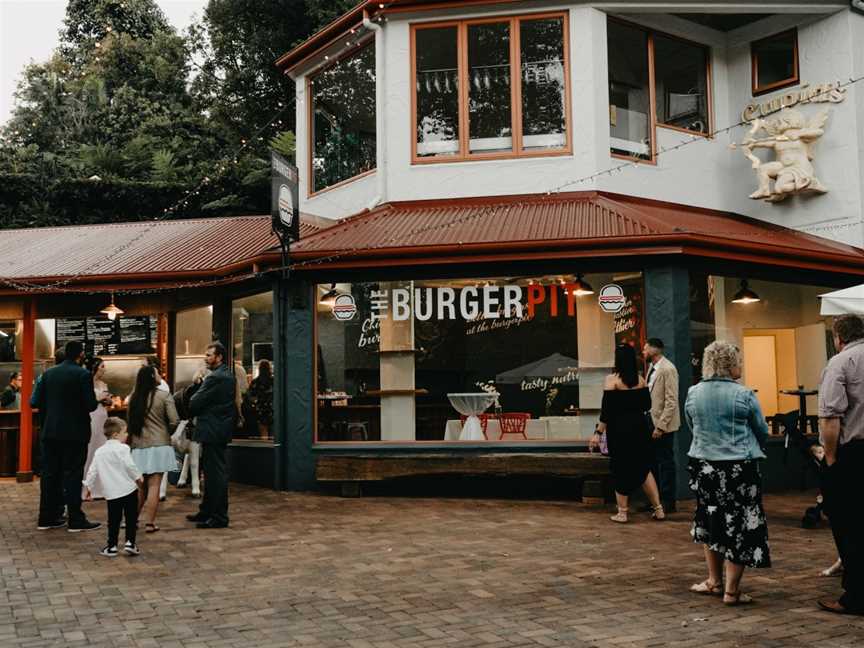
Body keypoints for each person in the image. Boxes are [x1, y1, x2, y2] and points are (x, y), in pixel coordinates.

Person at [686, 341, 770, 606]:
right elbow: (762, 429)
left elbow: (692, 427)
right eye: (738, 361)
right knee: (741, 524)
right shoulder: (744, 394)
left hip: (705, 466)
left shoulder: (693, 393)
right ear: (729, 364)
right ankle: (731, 591)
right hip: (739, 467)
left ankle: (714, 580)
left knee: (711, 520)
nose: (741, 366)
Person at [817, 314, 864, 616]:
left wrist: (830, 459)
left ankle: (856, 596)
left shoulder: (841, 362)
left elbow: (830, 418)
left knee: (850, 525)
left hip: (855, 454)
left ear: (838, 337)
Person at [590, 344, 665, 523]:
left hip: (619, 430)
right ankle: (658, 509)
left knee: (620, 468)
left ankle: (622, 512)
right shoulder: (640, 380)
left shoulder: (611, 380)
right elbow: (647, 405)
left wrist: (597, 433)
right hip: (639, 428)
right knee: (644, 468)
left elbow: (606, 412)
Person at [31, 340, 101, 532]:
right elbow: (90, 405)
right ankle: (75, 520)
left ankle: (46, 517)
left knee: (49, 474)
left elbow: (34, 401)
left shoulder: (47, 374)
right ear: (80, 355)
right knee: (72, 474)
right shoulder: (83, 375)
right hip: (75, 434)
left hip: (50, 432)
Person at [186, 341, 236, 529]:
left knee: (215, 474)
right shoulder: (225, 375)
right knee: (211, 472)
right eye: (206, 355)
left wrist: (197, 384)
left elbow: (194, 403)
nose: (205, 358)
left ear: (219, 357)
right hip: (218, 430)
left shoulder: (215, 378)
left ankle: (218, 516)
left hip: (213, 431)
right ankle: (206, 511)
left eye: (209, 355)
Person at [127, 365, 179, 533]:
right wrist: (166, 432)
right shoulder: (164, 396)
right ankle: (149, 523)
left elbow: (130, 423)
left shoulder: (134, 398)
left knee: (140, 486)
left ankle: (131, 520)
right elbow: (174, 421)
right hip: (159, 444)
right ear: (151, 376)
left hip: (139, 446)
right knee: (155, 484)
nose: (160, 375)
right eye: (157, 372)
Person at [83, 417, 143, 557]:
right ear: (116, 434)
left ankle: (112, 547)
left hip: (112, 493)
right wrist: (138, 476)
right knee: (131, 517)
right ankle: (130, 542)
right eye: (125, 432)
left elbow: (92, 471)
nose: (127, 435)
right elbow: (129, 465)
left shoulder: (99, 452)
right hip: (129, 489)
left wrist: (88, 487)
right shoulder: (123, 448)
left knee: (113, 520)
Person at [643, 338, 681, 513]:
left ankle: (668, 501)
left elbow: (671, 401)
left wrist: (661, 426)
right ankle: (654, 500)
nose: (643, 352)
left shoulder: (668, 369)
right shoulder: (652, 368)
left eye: (645, 349)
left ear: (655, 350)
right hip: (650, 421)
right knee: (651, 461)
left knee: (665, 462)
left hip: (662, 424)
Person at [82, 357, 112, 496]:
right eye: (102, 366)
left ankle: (100, 489)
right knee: (90, 450)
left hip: (102, 416)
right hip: (91, 417)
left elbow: (107, 401)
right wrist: (98, 399)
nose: (104, 369)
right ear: (95, 368)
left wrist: (108, 400)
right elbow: (84, 401)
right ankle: (86, 488)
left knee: (101, 451)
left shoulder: (103, 384)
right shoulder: (85, 383)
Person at [247, 359, 274, 438]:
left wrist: (256, 402)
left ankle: (265, 447)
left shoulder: (255, 382)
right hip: (273, 410)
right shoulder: (274, 381)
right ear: (269, 368)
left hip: (260, 410)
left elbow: (250, 396)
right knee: (274, 434)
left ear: (259, 369)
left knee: (263, 432)